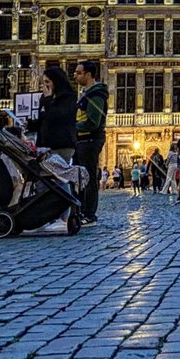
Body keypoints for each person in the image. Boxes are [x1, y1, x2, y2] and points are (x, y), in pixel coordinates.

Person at [27, 65, 78, 234]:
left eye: (47, 82)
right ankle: (43, 217)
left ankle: (65, 218)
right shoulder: (45, 98)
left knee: (59, 178)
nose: (45, 86)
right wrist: (30, 124)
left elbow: (60, 117)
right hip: (46, 144)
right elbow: (45, 119)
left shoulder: (68, 97)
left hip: (62, 143)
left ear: (57, 81)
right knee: (43, 180)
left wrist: (48, 100)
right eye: (43, 82)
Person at [72, 61, 108, 226]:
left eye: (78, 73)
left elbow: (93, 122)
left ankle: (89, 214)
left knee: (89, 177)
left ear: (88, 75)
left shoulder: (96, 95)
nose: (75, 75)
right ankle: (82, 211)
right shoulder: (87, 93)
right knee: (82, 177)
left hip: (90, 139)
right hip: (82, 139)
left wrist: (73, 127)